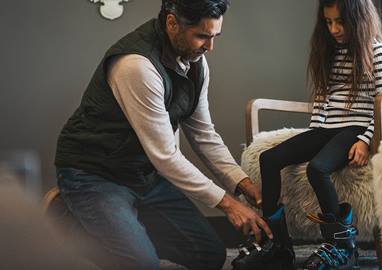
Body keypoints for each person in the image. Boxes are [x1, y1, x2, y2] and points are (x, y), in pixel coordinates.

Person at [54, 0, 272, 269]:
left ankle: (126, 229)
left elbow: (203, 134)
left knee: (209, 255)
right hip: (93, 174)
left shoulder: (196, 63)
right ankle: (66, 219)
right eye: (202, 36)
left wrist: (244, 185)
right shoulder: (136, 65)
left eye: (214, 36)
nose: (209, 47)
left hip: (142, 175)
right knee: (142, 265)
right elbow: (166, 157)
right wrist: (228, 204)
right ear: (172, 23)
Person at [231, 0, 382, 269]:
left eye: (340, 22)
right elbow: (322, 98)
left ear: (359, 20)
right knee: (269, 158)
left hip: (355, 129)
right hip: (325, 129)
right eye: (328, 22)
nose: (334, 29)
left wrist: (365, 140)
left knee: (317, 169)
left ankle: (343, 245)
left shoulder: (378, 53)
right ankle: (279, 246)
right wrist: (314, 132)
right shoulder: (330, 52)